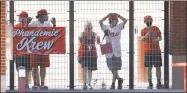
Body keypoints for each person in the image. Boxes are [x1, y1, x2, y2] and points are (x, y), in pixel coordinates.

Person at [28, 9, 56, 90]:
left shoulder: (48, 24)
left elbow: (55, 32)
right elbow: (26, 31)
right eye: (44, 15)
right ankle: (35, 83)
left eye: (45, 15)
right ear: (40, 17)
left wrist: (54, 24)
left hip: (44, 48)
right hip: (35, 48)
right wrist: (27, 23)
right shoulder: (33, 23)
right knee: (34, 67)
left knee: (43, 67)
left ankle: (42, 83)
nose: (46, 17)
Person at [99, 13, 127, 89]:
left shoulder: (119, 27)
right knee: (112, 68)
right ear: (110, 21)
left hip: (117, 50)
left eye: (116, 20)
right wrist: (107, 16)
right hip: (109, 51)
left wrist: (119, 15)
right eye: (114, 20)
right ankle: (119, 79)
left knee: (115, 69)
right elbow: (100, 21)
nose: (115, 21)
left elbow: (125, 20)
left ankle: (113, 84)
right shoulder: (106, 27)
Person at [140, 15, 164, 89]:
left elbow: (160, 37)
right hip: (148, 52)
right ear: (145, 22)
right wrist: (148, 33)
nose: (149, 21)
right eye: (147, 20)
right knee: (149, 68)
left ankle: (159, 82)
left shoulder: (156, 28)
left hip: (157, 51)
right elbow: (142, 39)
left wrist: (156, 40)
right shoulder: (143, 30)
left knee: (158, 67)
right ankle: (150, 83)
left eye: (150, 19)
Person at [78, 21, 100, 89]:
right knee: (84, 69)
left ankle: (89, 83)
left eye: (90, 28)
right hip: (83, 54)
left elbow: (98, 42)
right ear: (84, 28)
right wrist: (83, 36)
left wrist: (98, 37)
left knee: (90, 70)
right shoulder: (82, 34)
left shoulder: (94, 34)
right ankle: (84, 83)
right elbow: (81, 40)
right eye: (87, 28)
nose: (88, 29)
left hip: (92, 55)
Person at [14, 11, 32, 89]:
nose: (20, 18)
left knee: (21, 68)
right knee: (27, 69)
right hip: (26, 52)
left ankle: (22, 84)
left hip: (19, 52)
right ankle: (26, 84)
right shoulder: (30, 26)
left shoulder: (17, 26)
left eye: (21, 17)